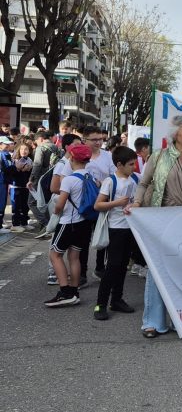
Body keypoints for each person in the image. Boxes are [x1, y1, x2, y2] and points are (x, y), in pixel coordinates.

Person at [134, 115, 182, 338]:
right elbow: (143, 183)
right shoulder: (158, 156)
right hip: (161, 221)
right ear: (175, 134)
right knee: (157, 270)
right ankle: (153, 322)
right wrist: (137, 203)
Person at [43, 144, 94, 308]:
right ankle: (74, 292)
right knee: (74, 257)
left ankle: (65, 292)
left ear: (72, 158)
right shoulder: (90, 176)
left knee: (54, 255)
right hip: (84, 223)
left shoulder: (69, 180)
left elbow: (60, 204)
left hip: (68, 223)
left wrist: (56, 212)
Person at [92, 146, 139, 321]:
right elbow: (98, 205)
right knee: (112, 267)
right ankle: (101, 304)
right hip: (114, 229)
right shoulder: (110, 181)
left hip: (130, 228)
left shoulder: (134, 179)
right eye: (131, 164)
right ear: (119, 165)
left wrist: (134, 205)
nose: (134, 167)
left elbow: (138, 200)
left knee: (123, 266)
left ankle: (117, 299)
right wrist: (118, 203)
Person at [81, 126, 116, 281]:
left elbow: (114, 176)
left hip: (103, 201)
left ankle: (100, 267)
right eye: (94, 140)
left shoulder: (108, 156)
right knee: (82, 239)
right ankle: (81, 272)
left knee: (102, 235)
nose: (98, 142)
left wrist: (103, 183)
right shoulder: (79, 155)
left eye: (100, 139)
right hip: (83, 203)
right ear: (85, 140)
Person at [27, 130, 61, 231]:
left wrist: (31, 179)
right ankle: (50, 223)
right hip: (53, 178)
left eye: (36, 141)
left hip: (40, 179)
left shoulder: (41, 148)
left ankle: (46, 224)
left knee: (32, 202)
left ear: (41, 139)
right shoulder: (57, 148)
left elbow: (37, 165)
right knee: (47, 202)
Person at [10, 141, 33, 232]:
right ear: (18, 150)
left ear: (29, 151)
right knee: (16, 206)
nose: (24, 151)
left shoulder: (30, 160)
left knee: (25, 206)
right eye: (22, 149)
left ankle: (24, 223)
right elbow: (11, 173)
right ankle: (15, 224)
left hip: (25, 187)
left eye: (26, 149)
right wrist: (18, 169)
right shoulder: (14, 160)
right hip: (16, 187)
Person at [0, 136, 16, 234]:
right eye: (5, 144)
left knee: (3, 203)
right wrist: (15, 167)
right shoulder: (2, 155)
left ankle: (0, 223)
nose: (7, 146)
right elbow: (6, 169)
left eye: (8, 144)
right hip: (1, 182)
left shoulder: (6, 154)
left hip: (4, 182)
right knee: (1, 203)